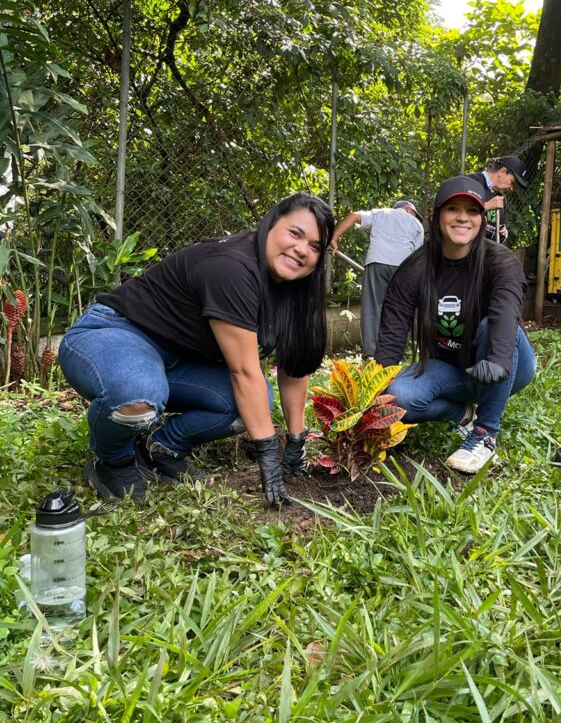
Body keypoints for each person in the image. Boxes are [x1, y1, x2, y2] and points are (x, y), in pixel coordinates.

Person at [58, 193, 334, 506]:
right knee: (137, 395)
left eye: (315, 246)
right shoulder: (232, 267)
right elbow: (243, 371)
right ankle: (112, 460)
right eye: (295, 233)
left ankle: (161, 448)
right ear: (270, 224)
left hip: (177, 362)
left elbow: (294, 369)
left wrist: (296, 444)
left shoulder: (294, 290)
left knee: (252, 406)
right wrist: (269, 459)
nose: (302, 250)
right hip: (114, 334)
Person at [374, 175, 536, 474]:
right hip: (450, 367)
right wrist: (373, 389)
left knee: (492, 326)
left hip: (506, 363)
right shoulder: (415, 268)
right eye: (453, 209)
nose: (463, 218)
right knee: (397, 400)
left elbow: (504, 313)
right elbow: (393, 327)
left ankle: (484, 435)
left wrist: (498, 361)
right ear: (436, 217)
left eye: (472, 211)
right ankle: (463, 414)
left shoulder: (500, 261)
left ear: (482, 219)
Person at [330, 199, 423, 357]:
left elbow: (353, 216)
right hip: (403, 266)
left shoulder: (381, 213)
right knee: (402, 308)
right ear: (409, 210)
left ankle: (371, 354)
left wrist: (333, 238)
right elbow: (418, 256)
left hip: (376, 262)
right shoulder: (416, 223)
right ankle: (401, 350)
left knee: (372, 308)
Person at [468, 154, 529, 243]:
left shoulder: (501, 198)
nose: (511, 188)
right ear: (502, 172)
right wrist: (487, 205)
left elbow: (500, 226)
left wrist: (503, 232)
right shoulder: (471, 181)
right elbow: (457, 214)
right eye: (512, 182)